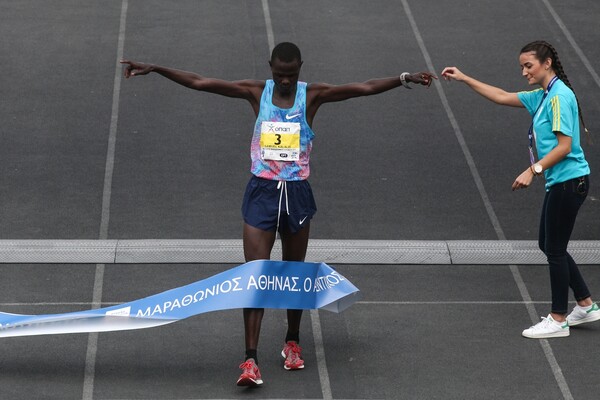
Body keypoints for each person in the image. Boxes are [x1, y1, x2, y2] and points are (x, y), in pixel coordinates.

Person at [122, 42, 436, 385]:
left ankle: (292, 342)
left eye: (291, 75)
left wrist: (404, 78)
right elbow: (200, 82)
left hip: (297, 194)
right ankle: (250, 361)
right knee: (254, 275)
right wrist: (156, 68)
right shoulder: (256, 92)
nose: (285, 81)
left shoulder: (312, 96)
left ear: (301, 67)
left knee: (294, 273)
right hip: (262, 192)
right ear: (269, 67)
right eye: (279, 75)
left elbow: (362, 88)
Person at [441, 40, 599, 339]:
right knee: (549, 244)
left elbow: (566, 147)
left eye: (529, 66)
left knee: (553, 249)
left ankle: (558, 318)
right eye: (522, 67)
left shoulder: (557, 98)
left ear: (547, 63)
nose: (524, 72)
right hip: (563, 182)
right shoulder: (543, 95)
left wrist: (533, 169)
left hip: (569, 183)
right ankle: (586, 305)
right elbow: (501, 96)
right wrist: (464, 78)